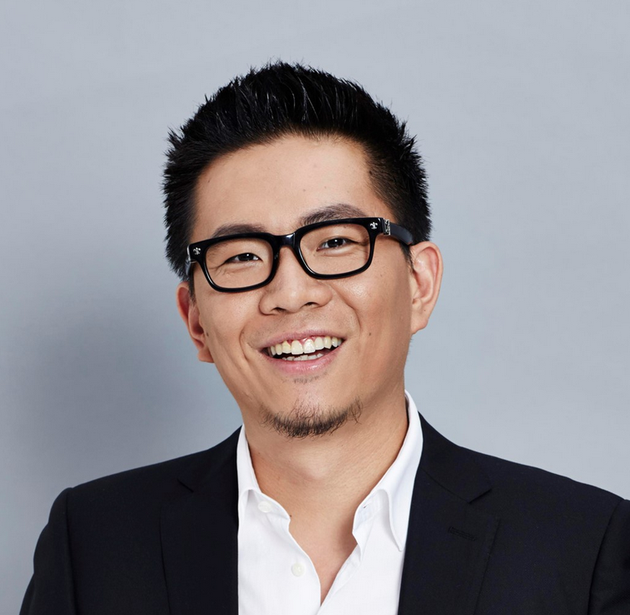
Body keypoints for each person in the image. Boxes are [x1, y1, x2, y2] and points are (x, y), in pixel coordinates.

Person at [21, 62, 630, 615]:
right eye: (240, 256)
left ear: (419, 284)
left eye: (336, 241)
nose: (291, 293)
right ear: (196, 321)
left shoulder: (583, 549)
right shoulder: (93, 545)